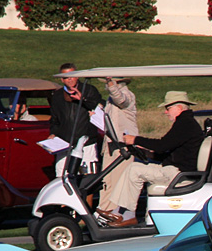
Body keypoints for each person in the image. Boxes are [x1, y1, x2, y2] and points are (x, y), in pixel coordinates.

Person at [96, 90, 203, 228]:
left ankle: (124, 214)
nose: (166, 112)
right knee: (134, 168)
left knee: (135, 171)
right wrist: (145, 153)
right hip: (174, 168)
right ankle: (122, 213)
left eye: (168, 108)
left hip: (178, 173)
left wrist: (135, 139)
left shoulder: (185, 124)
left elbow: (162, 145)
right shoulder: (185, 123)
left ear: (179, 108)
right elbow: (169, 151)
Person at [49, 62, 103, 176]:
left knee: (88, 176)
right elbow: (55, 119)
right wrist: (53, 133)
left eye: (72, 76)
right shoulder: (57, 96)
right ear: (62, 80)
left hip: (86, 142)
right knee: (61, 175)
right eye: (66, 77)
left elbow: (98, 107)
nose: (70, 79)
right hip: (65, 143)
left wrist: (82, 99)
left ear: (77, 76)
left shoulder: (89, 90)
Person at [99, 77, 138, 206]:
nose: (107, 85)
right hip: (111, 144)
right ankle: (104, 210)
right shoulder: (110, 100)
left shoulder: (128, 95)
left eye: (109, 83)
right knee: (106, 181)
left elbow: (121, 100)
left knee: (118, 181)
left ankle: (116, 212)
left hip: (122, 145)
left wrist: (111, 85)